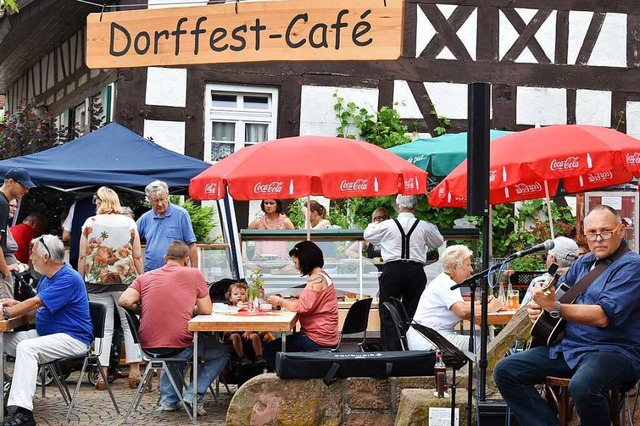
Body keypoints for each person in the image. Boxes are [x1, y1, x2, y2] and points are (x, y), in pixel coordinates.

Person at [493, 205, 640, 426]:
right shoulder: (582, 263)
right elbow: (558, 296)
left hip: (613, 351)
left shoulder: (632, 265)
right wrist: (539, 306)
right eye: (591, 233)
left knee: (583, 386)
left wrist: (553, 307)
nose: (598, 238)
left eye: (605, 231)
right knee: (506, 370)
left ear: (621, 230)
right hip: (570, 348)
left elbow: (602, 316)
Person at [119, 241, 228, 415]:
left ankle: (169, 400)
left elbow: (124, 301)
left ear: (165, 259)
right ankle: (193, 395)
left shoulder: (145, 277)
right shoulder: (194, 274)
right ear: (186, 260)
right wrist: (189, 308)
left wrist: (143, 308)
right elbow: (206, 310)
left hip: (148, 346)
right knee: (220, 352)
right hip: (178, 346)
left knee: (175, 344)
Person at [1, 235, 93, 426]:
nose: (30, 258)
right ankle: (4, 384)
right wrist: (17, 304)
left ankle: (24, 413)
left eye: (32, 253)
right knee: (4, 339)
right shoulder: (47, 278)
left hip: (73, 338)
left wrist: (6, 312)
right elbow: (39, 307)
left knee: (27, 348)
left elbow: (36, 302)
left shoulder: (68, 278)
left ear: (45, 257)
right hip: (49, 335)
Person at [78, 187, 144, 390]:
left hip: (96, 282)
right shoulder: (129, 222)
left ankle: (102, 373)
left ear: (100, 201)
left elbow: (82, 256)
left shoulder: (90, 223)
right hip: (125, 282)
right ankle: (135, 371)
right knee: (129, 325)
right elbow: (137, 256)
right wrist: (141, 280)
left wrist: (80, 281)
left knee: (102, 329)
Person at [363, 195, 444, 351]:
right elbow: (438, 241)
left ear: (398, 206)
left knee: (388, 312)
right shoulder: (423, 226)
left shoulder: (388, 225)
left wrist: (374, 224)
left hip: (393, 269)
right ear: (415, 207)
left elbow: (368, 235)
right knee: (414, 312)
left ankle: (392, 354)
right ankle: (412, 350)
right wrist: (431, 227)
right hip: (415, 270)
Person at [407, 245, 503, 351]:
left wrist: (481, 303)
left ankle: (474, 368)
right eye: (468, 265)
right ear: (455, 267)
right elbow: (462, 311)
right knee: (484, 345)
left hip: (429, 337)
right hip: (430, 341)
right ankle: (482, 368)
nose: (471, 270)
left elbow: (460, 305)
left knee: (482, 343)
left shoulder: (444, 281)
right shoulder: (446, 284)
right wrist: (490, 308)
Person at [264, 241, 339, 371]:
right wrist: (300, 297)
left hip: (317, 338)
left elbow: (303, 308)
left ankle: (283, 381)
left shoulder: (316, 279)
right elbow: (314, 301)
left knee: (270, 349)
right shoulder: (323, 275)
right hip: (326, 335)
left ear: (305, 260)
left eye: (295, 262)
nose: (296, 266)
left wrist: (279, 301)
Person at [137, 180, 198, 271]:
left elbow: (191, 244)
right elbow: (131, 236)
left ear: (167, 196)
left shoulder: (181, 214)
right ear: (149, 200)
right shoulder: (145, 218)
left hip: (177, 271)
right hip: (152, 271)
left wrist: (194, 271)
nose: (160, 204)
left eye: (162, 199)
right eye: (156, 201)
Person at [0, 168, 36, 300]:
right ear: (10, 182)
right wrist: (5, 270)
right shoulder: (3, 204)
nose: (26, 190)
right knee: (4, 312)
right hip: (2, 270)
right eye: (24, 185)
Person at [520, 236, 579, 306]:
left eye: (548, 255)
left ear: (552, 259)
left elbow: (522, 313)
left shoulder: (539, 283)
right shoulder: (581, 279)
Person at [225, 281, 267, 366]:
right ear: (230, 297)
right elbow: (225, 321)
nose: (239, 296)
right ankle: (242, 357)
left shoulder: (249, 309)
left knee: (255, 336)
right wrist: (226, 329)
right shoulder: (228, 310)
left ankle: (259, 357)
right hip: (233, 334)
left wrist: (249, 331)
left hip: (246, 333)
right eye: (235, 294)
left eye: (242, 294)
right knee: (236, 336)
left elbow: (253, 321)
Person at [62, 195, 96, 270]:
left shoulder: (77, 205)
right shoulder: (115, 209)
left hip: (77, 257)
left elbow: (65, 236)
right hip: (103, 260)